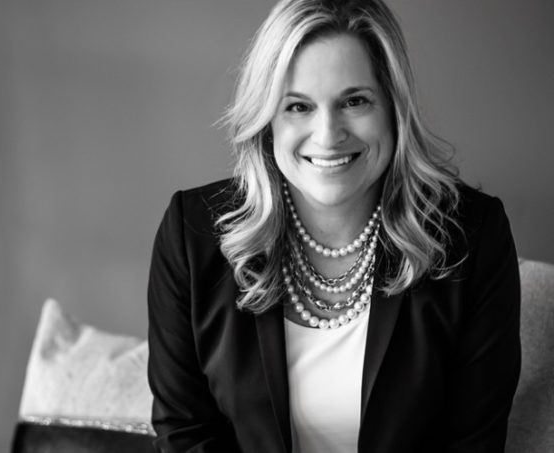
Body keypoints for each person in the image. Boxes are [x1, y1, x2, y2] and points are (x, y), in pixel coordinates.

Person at [146, 0, 521, 452]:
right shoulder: (193, 234)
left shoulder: (471, 237)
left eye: (355, 101)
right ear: (267, 120)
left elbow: (473, 442)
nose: (327, 135)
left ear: (394, 108)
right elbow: (185, 431)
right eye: (298, 106)